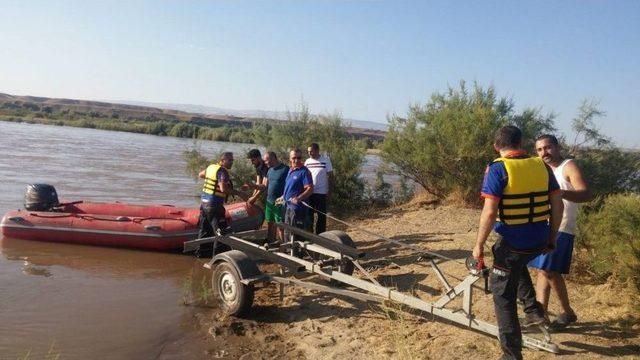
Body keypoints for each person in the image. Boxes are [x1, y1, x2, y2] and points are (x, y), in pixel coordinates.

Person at [473, 126, 563, 360]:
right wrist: (552, 237)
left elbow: (490, 212)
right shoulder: (541, 165)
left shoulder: (498, 168)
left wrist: (478, 245)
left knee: (503, 296)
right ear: (521, 143)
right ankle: (533, 310)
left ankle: (511, 356)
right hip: (539, 241)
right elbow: (558, 204)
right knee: (512, 260)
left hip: (514, 243)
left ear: (496, 146)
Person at [528, 134, 592, 330]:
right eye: (539, 150)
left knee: (549, 270)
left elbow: (586, 194)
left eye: (547, 148)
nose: (544, 153)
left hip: (562, 226)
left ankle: (567, 312)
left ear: (556, 147)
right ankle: (541, 316)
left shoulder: (568, 166)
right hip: (542, 225)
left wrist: (560, 193)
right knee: (542, 270)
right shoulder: (541, 169)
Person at [197, 152, 246, 244]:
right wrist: (239, 193)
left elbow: (200, 175)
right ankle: (219, 254)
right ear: (222, 161)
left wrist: (213, 180)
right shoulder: (222, 171)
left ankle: (200, 254)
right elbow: (223, 189)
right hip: (214, 205)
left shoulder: (211, 167)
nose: (232, 162)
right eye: (230, 160)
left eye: (232, 160)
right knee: (221, 232)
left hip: (204, 204)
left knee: (204, 230)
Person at [244, 151, 289, 242]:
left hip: (280, 202)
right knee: (270, 223)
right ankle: (271, 242)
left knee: (280, 225)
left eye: (266, 161)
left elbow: (289, 186)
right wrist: (252, 186)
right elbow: (264, 186)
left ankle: (284, 246)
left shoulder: (285, 169)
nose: (264, 163)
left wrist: (283, 197)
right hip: (269, 201)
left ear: (273, 158)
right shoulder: (270, 170)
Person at [276, 149, 313, 241]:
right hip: (288, 206)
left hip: (297, 209)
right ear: (290, 158)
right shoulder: (290, 170)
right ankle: (288, 252)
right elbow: (289, 188)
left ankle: (296, 254)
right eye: (294, 158)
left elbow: (310, 189)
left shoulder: (304, 172)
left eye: (299, 158)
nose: (296, 160)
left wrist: (299, 198)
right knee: (287, 231)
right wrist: (282, 197)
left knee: (295, 234)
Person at [304, 143, 333, 234]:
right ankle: (309, 236)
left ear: (317, 150)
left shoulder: (326, 160)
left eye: (311, 151)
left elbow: (331, 176)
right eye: (308, 151)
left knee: (321, 216)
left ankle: (321, 236)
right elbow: (303, 176)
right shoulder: (307, 161)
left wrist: (329, 191)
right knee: (309, 216)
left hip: (321, 193)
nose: (309, 153)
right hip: (309, 192)